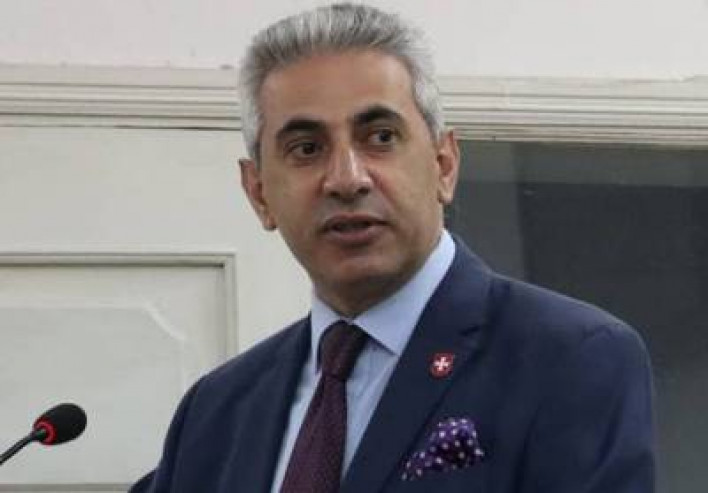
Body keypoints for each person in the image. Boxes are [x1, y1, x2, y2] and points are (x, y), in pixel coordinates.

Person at [130, 3, 655, 492]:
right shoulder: (216, 411)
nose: (347, 178)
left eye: (380, 137)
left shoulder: (568, 360)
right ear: (259, 193)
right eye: (307, 148)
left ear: (444, 165)